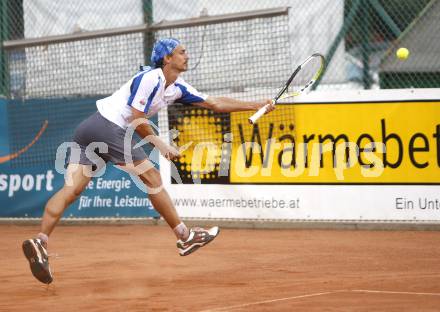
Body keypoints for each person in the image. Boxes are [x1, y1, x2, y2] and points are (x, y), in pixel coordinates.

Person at [22, 38, 274, 284]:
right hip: (108, 127)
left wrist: (255, 104)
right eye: (181, 52)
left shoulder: (178, 87)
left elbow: (215, 103)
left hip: (89, 128)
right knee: (152, 178)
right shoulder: (151, 78)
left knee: (72, 189)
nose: (187, 56)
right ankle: (184, 236)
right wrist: (160, 144)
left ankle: (40, 241)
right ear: (167, 58)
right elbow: (135, 117)